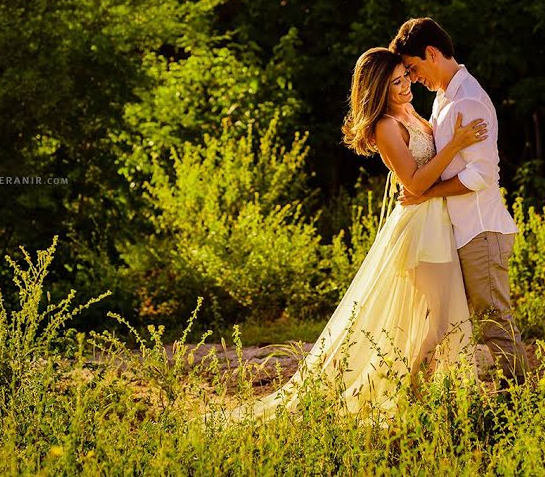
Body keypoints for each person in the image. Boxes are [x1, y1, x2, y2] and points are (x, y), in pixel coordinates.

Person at [205, 47, 486, 423]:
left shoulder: (411, 111)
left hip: (437, 221)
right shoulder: (386, 126)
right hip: (421, 229)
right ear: (377, 90)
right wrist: (454, 144)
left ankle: (421, 400)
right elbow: (416, 184)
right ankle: (408, 400)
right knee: (436, 323)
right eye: (395, 84)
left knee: (436, 319)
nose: (405, 87)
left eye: (405, 77)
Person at [390, 17, 529, 384]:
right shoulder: (443, 99)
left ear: (431, 53)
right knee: (443, 320)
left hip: (480, 231)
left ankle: (517, 398)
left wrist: (425, 193)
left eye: (413, 67)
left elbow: (481, 176)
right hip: (457, 232)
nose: (413, 76)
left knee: (494, 318)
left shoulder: (469, 101)